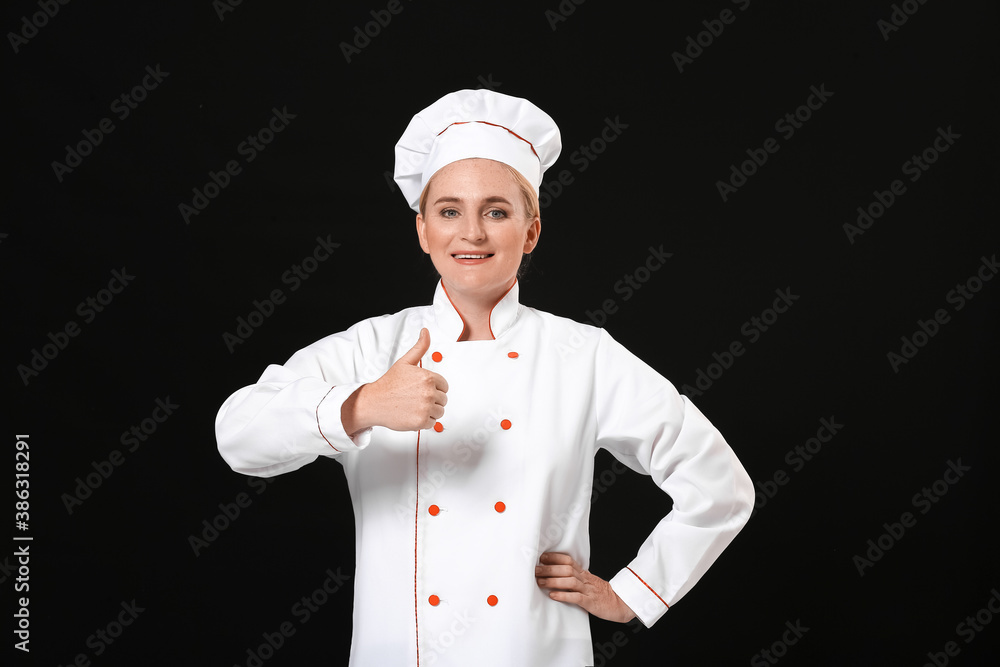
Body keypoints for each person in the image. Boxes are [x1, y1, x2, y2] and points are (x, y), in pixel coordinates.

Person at [216, 89, 753, 666]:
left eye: (496, 211)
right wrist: (363, 405)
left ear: (531, 232)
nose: (471, 233)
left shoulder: (581, 354)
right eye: (449, 211)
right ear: (423, 231)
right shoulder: (372, 348)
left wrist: (632, 593)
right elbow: (238, 436)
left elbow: (719, 485)